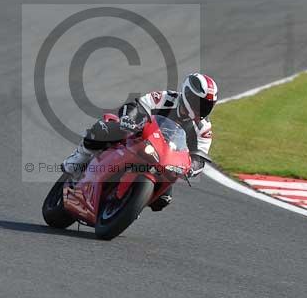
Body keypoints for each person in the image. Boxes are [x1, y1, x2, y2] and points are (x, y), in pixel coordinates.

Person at [62, 73, 218, 211]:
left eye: (207, 105)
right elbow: (139, 105)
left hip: (165, 159)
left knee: (163, 200)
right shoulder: (166, 98)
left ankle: (129, 205)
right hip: (139, 138)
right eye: (200, 103)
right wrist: (129, 119)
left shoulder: (203, 128)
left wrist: (191, 168)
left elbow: (200, 157)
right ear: (188, 95)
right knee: (102, 129)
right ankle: (79, 159)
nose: (203, 109)